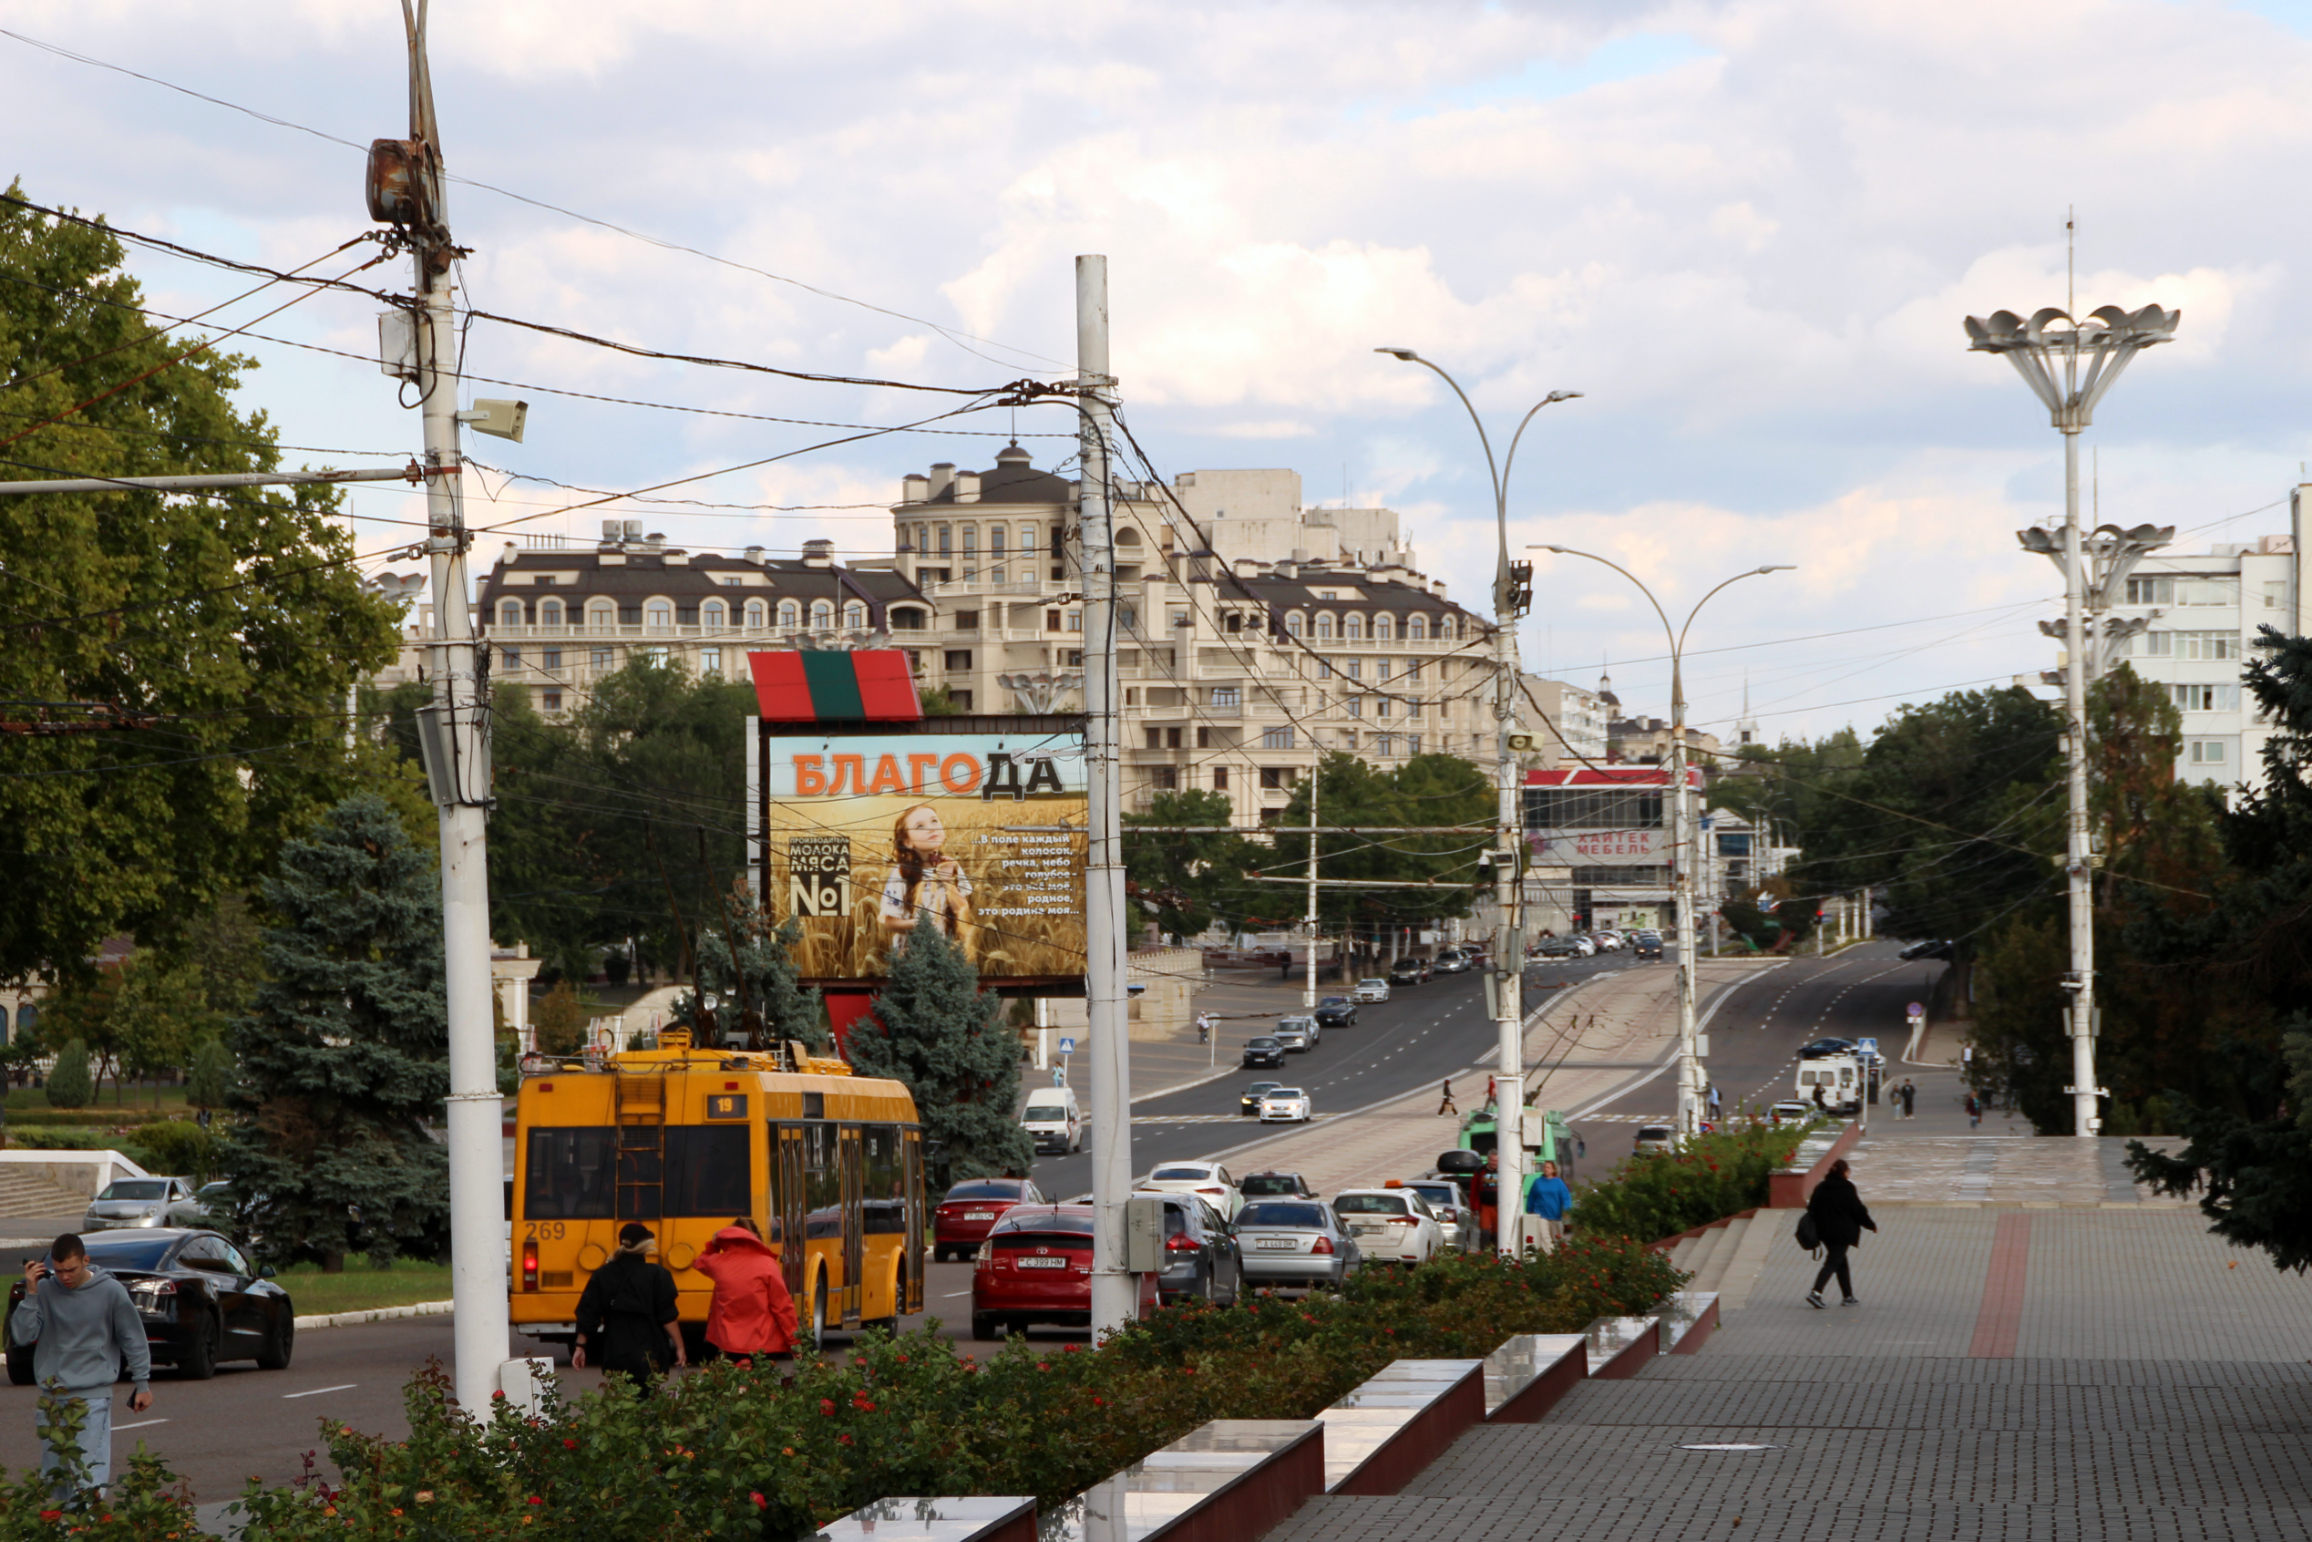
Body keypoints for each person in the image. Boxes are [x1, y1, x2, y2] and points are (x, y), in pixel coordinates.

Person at [11, 1233, 152, 1497]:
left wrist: (142, 1384)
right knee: (56, 1479)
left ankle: (87, 1522)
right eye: (59, 1270)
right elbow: (22, 1336)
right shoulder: (45, 1290)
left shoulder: (110, 1291)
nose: (65, 1277)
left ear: (85, 1260)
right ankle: (62, 1523)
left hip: (92, 1397)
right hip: (53, 1398)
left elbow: (132, 1337)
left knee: (86, 1475)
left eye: (71, 1270)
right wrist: (31, 1293)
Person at [574, 1223, 686, 1394]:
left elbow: (588, 1313)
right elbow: (668, 1315)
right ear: (646, 1245)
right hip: (649, 1352)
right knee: (647, 1398)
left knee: (621, 1400)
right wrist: (680, 1347)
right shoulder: (657, 1274)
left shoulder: (602, 1274)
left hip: (616, 1351)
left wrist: (580, 1347)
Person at [692, 1218, 798, 1367]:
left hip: (729, 1343)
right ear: (756, 1237)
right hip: (762, 1343)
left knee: (733, 1380)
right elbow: (782, 1306)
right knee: (760, 1380)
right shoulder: (767, 1264)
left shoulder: (718, 1263)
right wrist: (794, 1341)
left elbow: (700, 1261)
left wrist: (713, 1245)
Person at [877, 803, 976, 962]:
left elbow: (962, 910)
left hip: (946, 953)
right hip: (912, 957)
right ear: (907, 842)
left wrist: (948, 882)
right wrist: (919, 924)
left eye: (934, 821)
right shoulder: (901, 873)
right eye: (920, 826)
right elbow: (889, 923)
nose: (930, 828)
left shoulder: (952, 865)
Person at [1804, 1158, 1877, 1308]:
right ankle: (1816, 1292)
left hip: (1824, 1232)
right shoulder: (1847, 1188)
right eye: (1848, 1171)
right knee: (1833, 1262)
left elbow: (1811, 1208)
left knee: (1841, 1261)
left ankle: (1848, 1296)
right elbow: (1858, 1209)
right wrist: (1870, 1224)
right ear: (1844, 1172)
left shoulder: (1821, 1187)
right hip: (1842, 1233)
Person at [1523, 1159, 1573, 1250]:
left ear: (1553, 1170)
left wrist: (1567, 1209)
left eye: (1548, 1167)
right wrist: (1529, 1210)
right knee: (1544, 1237)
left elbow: (1566, 1197)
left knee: (1557, 1239)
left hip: (1555, 1215)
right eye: (1545, 1167)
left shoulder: (1559, 1183)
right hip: (1541, 1215)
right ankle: (1549, 1255)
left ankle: (1556, 1254)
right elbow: (1531, 1197)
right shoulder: (1538, 1182)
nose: (1546, 1169)